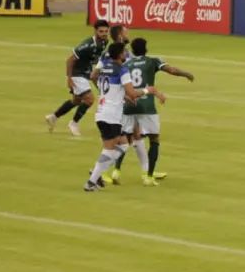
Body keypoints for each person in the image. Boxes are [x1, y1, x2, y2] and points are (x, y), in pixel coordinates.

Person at [110, 37, 195, 187]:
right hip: (147, 105)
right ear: (146, 49)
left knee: (126, 139)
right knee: (154, 139)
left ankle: (116, 171)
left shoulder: (126, 64)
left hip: (129, 104)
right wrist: (186, 74)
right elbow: (172, 70)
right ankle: (148, 177)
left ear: (133, 51)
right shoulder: (152, 61)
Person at [84, 42, 165, 192]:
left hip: (102, 112)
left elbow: (95, 78)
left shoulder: (104, 67)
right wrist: (148, 90)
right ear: (120, 54)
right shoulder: (122, 70)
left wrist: (116, 96)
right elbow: (133, 93)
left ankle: (97, 174)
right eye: (124, 51)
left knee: (123, 145)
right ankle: (92, 180)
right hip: (111, 115)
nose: (126, 53)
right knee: (109, 149)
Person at [45, 19, 110, 137]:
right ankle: (73, 123)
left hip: (86, 73)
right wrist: (69, 78)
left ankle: (53, 117)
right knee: (89, 100)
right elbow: (70, 60)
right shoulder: (87, 45)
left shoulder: (105, 42)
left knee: (76, 101)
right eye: (101, 31)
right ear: (95, 31)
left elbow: (94, 59)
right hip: (77, 73)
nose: (104, 34)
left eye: (106, 31)